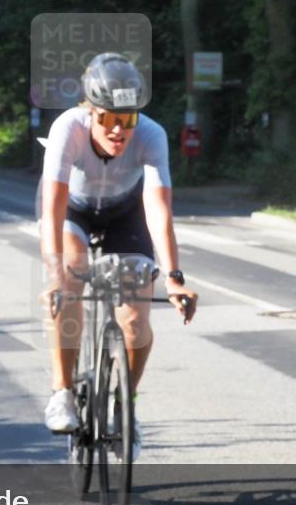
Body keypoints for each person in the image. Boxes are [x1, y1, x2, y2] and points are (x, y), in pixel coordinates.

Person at [39, 52, 198, 459]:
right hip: (74, 212)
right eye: (109, 118)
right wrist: (55, 271)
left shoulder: (151, 135)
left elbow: (159, 208)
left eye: (127, 120)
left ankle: (125, 405)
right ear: (90, 111)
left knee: (134, 317)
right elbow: (52, 208)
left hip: (125, 215)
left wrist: (174, 277)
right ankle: (63, 392)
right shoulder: (66, 129)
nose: (118, 130)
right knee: (72, 276)